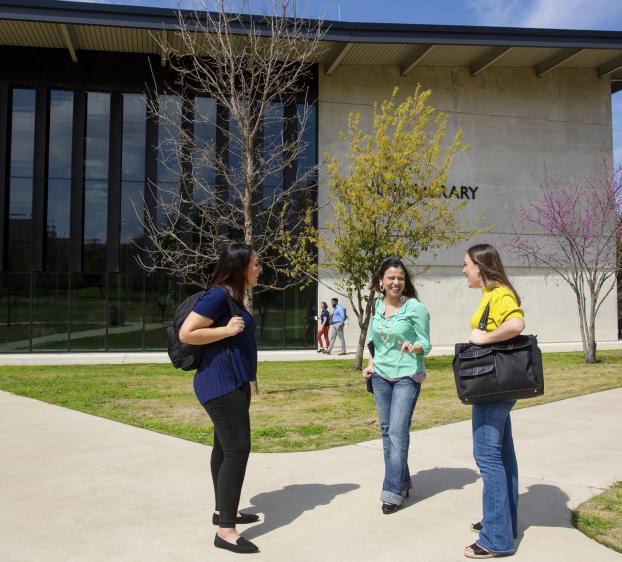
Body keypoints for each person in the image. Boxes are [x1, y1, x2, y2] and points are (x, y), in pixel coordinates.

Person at [179, 243, 262, 555]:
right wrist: (227, 330)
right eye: (255, 264)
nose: (259, 268)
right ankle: (226, 531)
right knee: (238, 450)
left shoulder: (232, 296)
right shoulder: (217, 295)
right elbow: (187, 333)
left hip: (233, 381)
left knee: (224, 448)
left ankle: (223, 511)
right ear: (241, 267)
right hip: (219, 384)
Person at [462, 243, 525, 559]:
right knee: (502, 455)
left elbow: (516, 325)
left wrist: (483, 337)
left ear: (480, 265)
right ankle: (502, 522)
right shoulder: (490, 294)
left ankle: (496, 539)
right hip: (498, 386)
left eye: (466, 265)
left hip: (493, 388)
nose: (464, 271)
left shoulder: (499, 293)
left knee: (487, 457)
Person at [362, 257, 431, 514]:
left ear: (406, 281)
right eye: (391, 277)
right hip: (380, 376)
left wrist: (414, 347)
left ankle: (391, 491)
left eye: (400, 278)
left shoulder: (415, 308)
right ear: (381, 281)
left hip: (407, 375)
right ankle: (402, 482)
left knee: (397, 433)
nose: (396, 282)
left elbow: (426, 342)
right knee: (387, 431)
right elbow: (372, 342)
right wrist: (370, 365)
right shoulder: (377, 305)